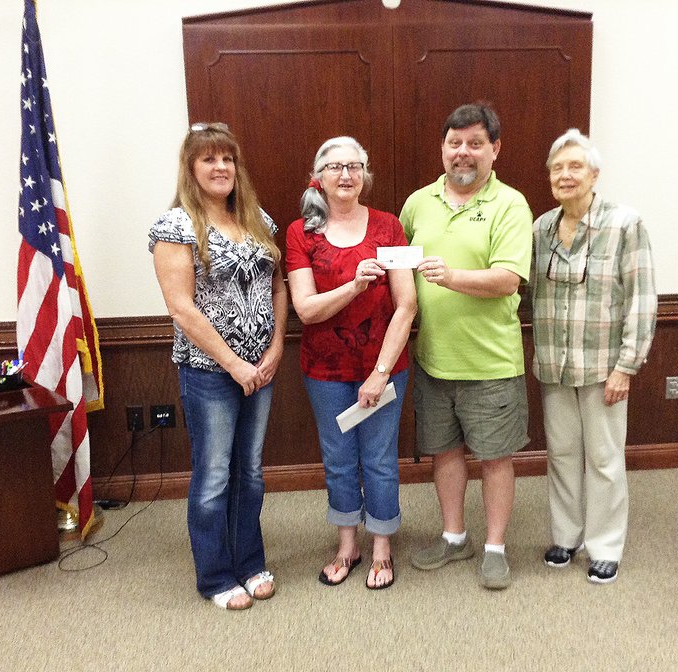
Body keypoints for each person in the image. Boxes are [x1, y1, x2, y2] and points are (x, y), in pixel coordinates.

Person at [149, 122, 287, 610]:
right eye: (209, 159)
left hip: (261, 370)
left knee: (250, 472)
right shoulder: (175, 227)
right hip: (210, 373)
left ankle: (249, 563)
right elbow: (182, 308)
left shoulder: (258, 220)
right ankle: (216, 576)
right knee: (213, 475)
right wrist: (234, 365)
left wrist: (275, 349)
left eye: (227, 159)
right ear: (191, 168)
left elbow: (278, 286)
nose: (220, 167)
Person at [400, 103, 532, 590]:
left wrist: (452, 278)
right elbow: (399, 263)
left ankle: (495, 547)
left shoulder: (511, 204)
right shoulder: (418, 203)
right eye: (454, 143)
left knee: (496, 457)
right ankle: (455, 537)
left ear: (494, 149)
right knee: (445, 452)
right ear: (442, 148)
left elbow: (507, 279)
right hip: (434, 360)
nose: (463, 153)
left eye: (475, 143)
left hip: (491, 362)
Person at [285, 136, 416, 590]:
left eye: (355, 166)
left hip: (383, 366)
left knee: (379, 460)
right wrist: (355, 287)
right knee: (339, 459)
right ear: (317, 178)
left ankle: (382, 546)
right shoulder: (301, 232)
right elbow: (306, 310)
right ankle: (348, 545)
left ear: (365, 174)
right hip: (325, 371)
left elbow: (407, 305)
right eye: (336, 166)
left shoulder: (388, 227)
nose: (346, 175)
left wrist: (380, 373)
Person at [530, 128, 656, 584]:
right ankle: (566, 536)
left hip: (605, 368)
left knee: (604, 458)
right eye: (557, 168)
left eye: (575, 166)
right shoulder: (540, 228)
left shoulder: (625, 224)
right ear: (549, 177)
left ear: (594, 174)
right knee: (561, 453)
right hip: (555, 365)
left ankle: (604, 546)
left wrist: (627, 365)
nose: (565, 175)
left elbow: (641, 299)